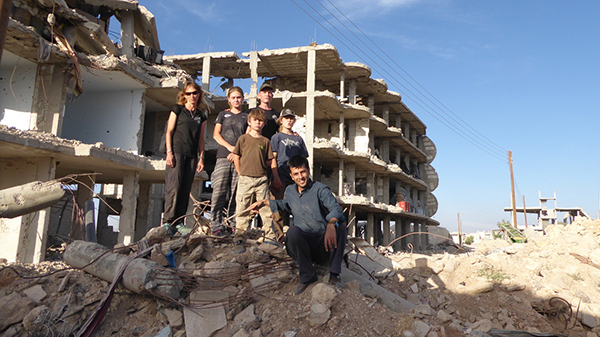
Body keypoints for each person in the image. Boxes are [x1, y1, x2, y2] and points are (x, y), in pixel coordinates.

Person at [248, 155, 347, 295]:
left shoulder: (320, 189)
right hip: (303, 246)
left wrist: (331, 223)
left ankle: (334, 275)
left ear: (308, 171)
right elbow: (286, 205)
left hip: (323, 244)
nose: (300, 177)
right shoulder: (289, 191)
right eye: (296, 174)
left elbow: (335, 208)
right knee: (293, 232)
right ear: (291, 176)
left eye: (303, 172)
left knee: (341, 227)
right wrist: (265, 202)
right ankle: (307, 276)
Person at [232, 109, 282, 253]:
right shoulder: (243, 139)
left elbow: (270, 160)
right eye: (255, 120)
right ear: (249, 122)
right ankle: (239, 239)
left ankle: (270, 238)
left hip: (261, 180)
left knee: (266, 210)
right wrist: (240, 172)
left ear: (264, 123)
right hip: (245, 179)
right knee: (242, 209)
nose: (258, 123)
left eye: (261, 121)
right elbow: (236, 156)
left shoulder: (265, 141)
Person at [163, 80, 207, 235]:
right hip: (177, 152)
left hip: (192, 154)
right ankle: (168, 222)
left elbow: (201, 139)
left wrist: (201, 158)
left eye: (195, 93)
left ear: (199, 94)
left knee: (185, 188)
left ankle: (179, 223)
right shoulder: (178, 110)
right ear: (184, 95)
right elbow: (169, 131)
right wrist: (169, 152)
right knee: (173, 187)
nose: (192, 96)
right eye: (188, 93)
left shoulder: (201, 115)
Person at [210, 86, 248, 237]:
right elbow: (216, 135)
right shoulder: (222, 114)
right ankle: (216, 225)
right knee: (219, 190)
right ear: (229, 99)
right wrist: (231, 148)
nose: (236, 100)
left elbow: (246, 138)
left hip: (239, 158)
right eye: (233, 97)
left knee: (235, 192)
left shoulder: (246, 116)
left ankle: (232, 224)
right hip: (223, 156)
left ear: (243, 99)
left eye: (238, 97)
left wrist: (237, 151)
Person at [270, 108, 309, 242]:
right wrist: (275, 176)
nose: (289, 120)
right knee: (278, 209)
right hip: (280, 176)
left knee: (298, 207)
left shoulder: (298, 139)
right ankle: (279, 238)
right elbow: (273, 158)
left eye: (291, 118)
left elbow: (304, 160)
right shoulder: (276, 137)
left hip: (296, 179)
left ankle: (297, 237)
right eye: (286, 118)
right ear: (281, 120)